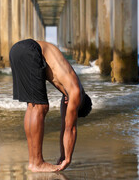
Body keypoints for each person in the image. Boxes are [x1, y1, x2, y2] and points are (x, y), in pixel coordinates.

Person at [9, 39, 92, 172]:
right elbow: (70, 129)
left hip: (17, 49)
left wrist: (63, 156)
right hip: (32, 51)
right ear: (80, 105)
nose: (67, 106)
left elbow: (65, 127)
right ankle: (37, 162)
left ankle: (33, 161)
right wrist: (68, 158)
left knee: (33, 106)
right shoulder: (76, 92)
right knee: (40, 107)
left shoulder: (69, 88)